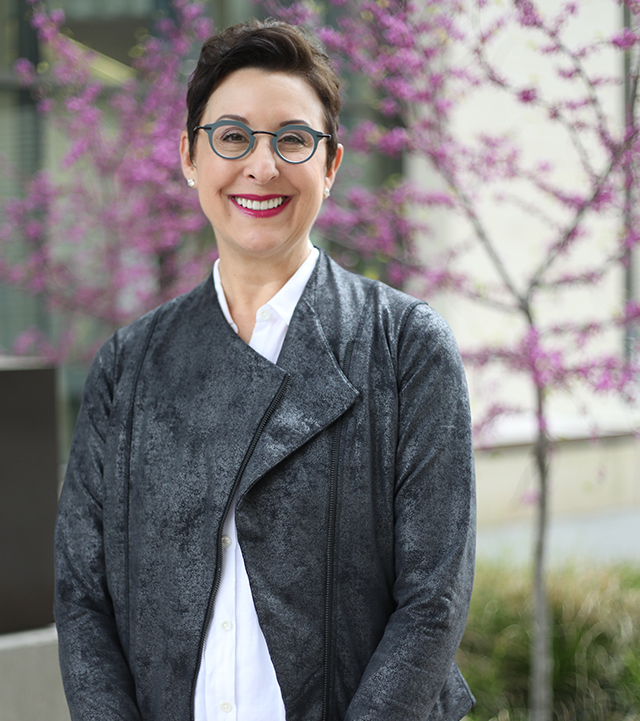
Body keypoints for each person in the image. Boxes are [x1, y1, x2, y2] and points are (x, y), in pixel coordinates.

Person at [54, 18, 476, 721]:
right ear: (190, 155)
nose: (261, 165)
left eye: (292, 139)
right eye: (232, 137)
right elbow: (81, 595)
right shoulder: (129, 366)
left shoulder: (406, 347)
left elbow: (433, 600)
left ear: (331, 164)